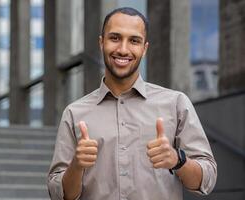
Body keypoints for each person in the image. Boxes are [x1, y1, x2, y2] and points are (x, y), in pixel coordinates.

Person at [47, 7, 217, 200]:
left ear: (144, 49)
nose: (123, 49)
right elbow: (57, 193)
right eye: (115, 38)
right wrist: (76, 166)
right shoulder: (74, 113)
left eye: (134, 41)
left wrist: (177, 160)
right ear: (101, 43)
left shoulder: (176, 104)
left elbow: (207, 179)